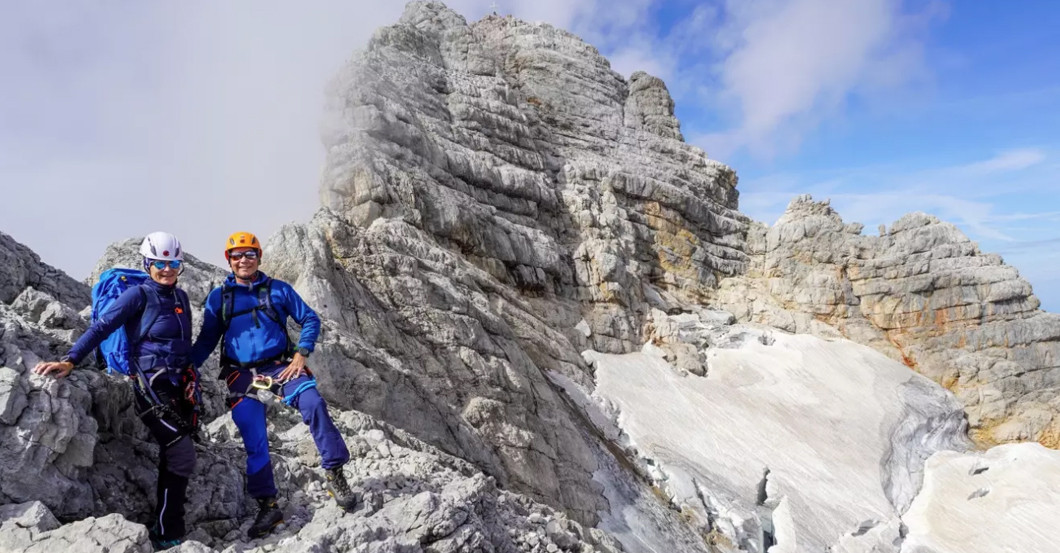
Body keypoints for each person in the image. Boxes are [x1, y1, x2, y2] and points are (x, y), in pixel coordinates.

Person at [34, 232, 198, 551]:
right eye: (160, 264)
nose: (167, 270)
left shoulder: (181, 299)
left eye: (174, 263)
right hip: (150, 389)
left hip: (179, 387)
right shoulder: (138, 295)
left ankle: (168, 523)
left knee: (178, 450)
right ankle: (166, 532)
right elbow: (101, 327)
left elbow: (183, 345)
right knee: (181, 452)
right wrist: (70, 360)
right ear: (147, 263)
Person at [191, 231, 357, 539]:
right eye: (237, 256)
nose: (243, 261)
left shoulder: (278, 290)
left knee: (314, 404)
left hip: (281, 366)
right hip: (241, 374)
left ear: (259, 257)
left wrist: (302, 353)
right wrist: (185, 368)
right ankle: (268, 505)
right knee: (253, 432)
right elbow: (206, 341)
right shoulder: (220, 298)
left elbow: (310, 320)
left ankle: (335, 472)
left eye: (249, 255)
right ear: (229, 261)